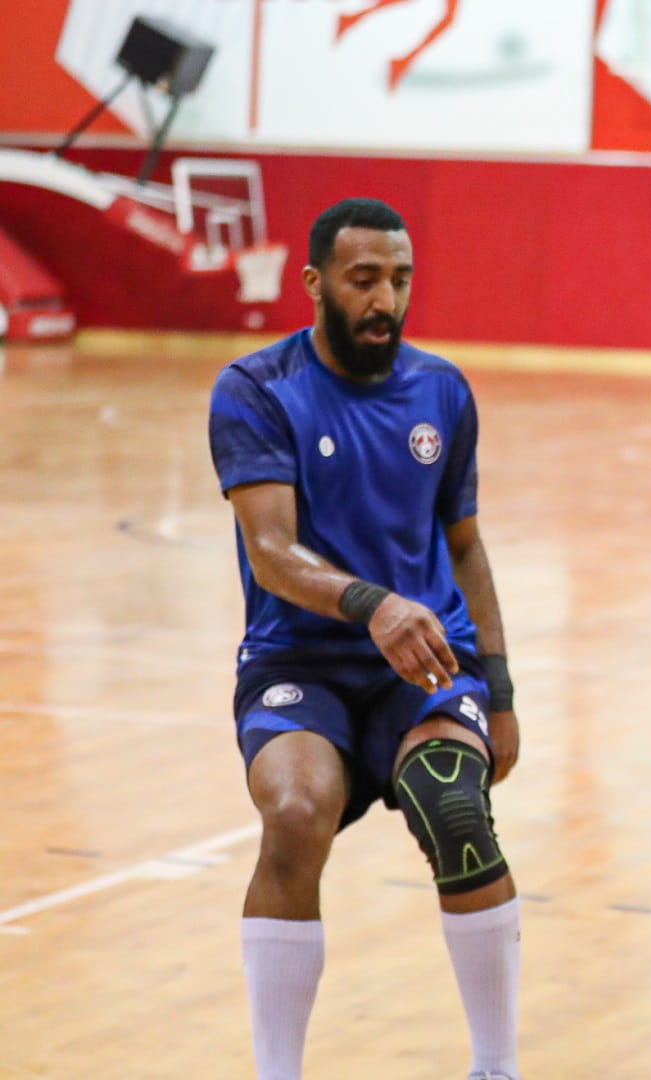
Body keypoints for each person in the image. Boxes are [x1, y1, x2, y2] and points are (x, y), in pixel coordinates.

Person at [208, 198, 523, 1080]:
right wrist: (373, 604)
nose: (386, 299)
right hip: (300, 659)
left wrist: (499, 692)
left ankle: (496, 1067)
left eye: (400, 279)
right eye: (364, 280)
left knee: (455, 809)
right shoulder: (256, 389)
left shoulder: (442, 391)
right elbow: (271, 553)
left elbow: (466, 546)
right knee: (294, 812)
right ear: (315, 283)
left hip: (423, 663)